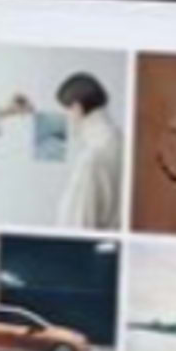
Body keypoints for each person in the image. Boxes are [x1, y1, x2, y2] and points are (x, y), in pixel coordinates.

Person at [51, 70, 121, 232]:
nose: (66, 121)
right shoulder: (123, 143)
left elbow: (76, 231)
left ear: (76, 109)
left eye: (65, 113)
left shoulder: (91, 160)